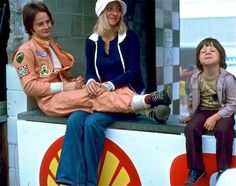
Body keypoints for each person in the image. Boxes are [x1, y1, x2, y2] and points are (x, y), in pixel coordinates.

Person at [55, 0, 171, 185]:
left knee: (92, 123)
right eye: (110, 9)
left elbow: (133, 71)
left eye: (118, 10)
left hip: (124, 91)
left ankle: (89, 182)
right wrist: (92, 82)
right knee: (75, 119)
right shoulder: (91, 41)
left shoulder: (129, 37)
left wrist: (109, 85)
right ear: (101, 12)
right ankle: (69, 179)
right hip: (100, 95)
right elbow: (90, 71)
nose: (115, 13)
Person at [13, 1, 171, 119]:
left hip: (67, 94)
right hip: (50, 101)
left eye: (48, 22)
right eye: (40, 24)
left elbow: (132, 71)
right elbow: (30, 87)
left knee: (98, 91)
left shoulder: (53, 46)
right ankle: (145, 101)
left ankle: (144, 109)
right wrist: (65, 87)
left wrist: (80, 83)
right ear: (30, 28)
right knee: (94, 96)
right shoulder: (24, 52)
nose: (47, 26)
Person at [180, 38, 236, 185]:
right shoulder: (195, 78)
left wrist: (216, 117)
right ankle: (196, 168)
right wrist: (191, 115)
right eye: (203, 51)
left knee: (224, 130)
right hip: (203, 111)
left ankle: (223, 169)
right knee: (191, 128)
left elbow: (232, 105)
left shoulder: (228, 79)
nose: (207, 52)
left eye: (212, 50)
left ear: (221, 57)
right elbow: (194, 98)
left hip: (224, 112)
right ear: (199, 58)